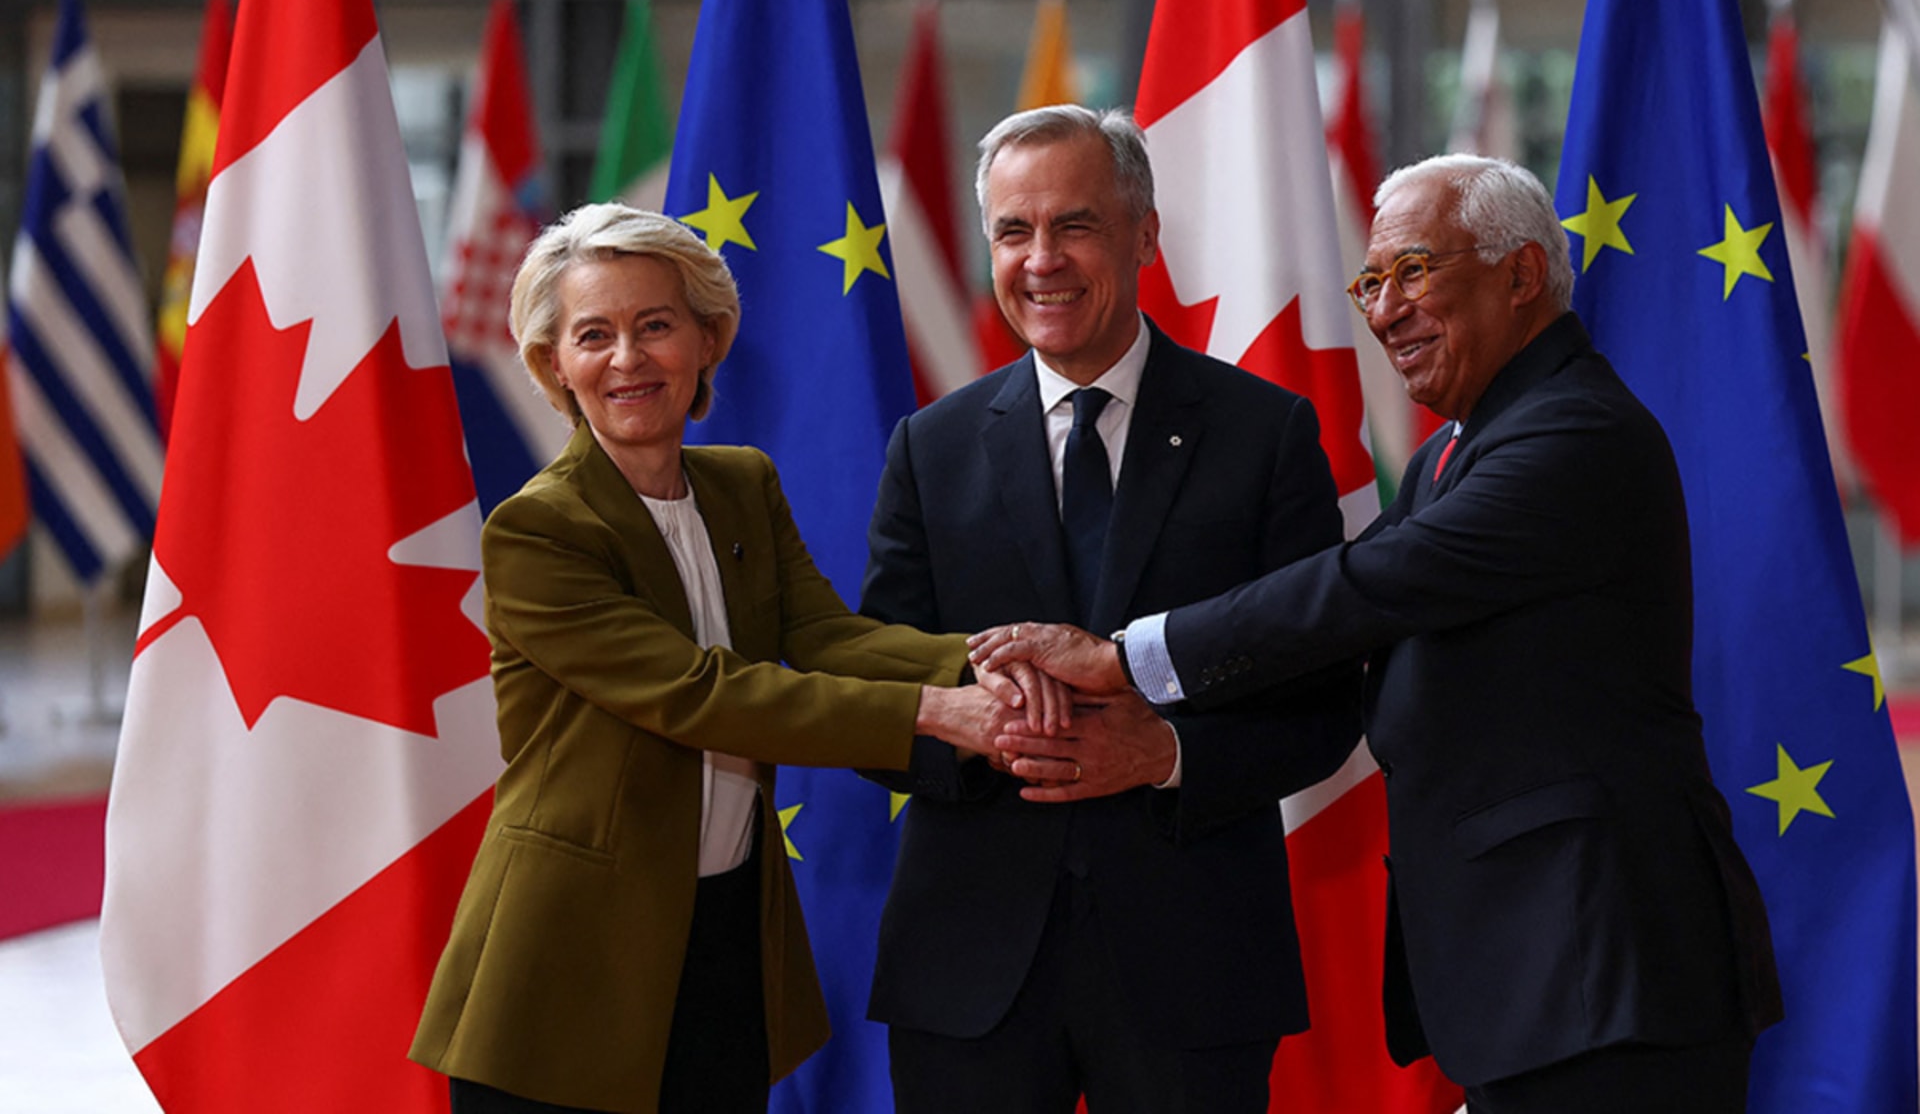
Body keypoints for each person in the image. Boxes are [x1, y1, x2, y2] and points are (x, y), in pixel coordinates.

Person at [974, 154, 1784, 1114]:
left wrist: (1121, 658)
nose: (1384, 309)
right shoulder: (1459, 447)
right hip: (1540, 977)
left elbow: (1362, 588)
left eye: (1414, 271)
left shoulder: (1573, 434)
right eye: (1370, 281)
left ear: (1521, 275)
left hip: (1607, 970)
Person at [410, 204, 1040, 1114]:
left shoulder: (742, 483)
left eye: (655, 326)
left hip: (724, 941)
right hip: (568, 965)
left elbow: (829, 638)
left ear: (708, 340)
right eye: (594, 334)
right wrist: (935, 715)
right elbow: (698, 693)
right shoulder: (537, 529)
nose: (627, 358)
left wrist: (989, 664)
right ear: (555, 364)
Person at [860, 104, 1361, 1113]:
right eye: (1013, 230)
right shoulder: (932, 444)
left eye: (1074, 224)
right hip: (970, 966)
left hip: (1196, 961)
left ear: (1143, 234)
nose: (1040, 259)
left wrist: (1166, 753)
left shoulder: (1265, 433)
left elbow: (1327, 698)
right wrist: (980, 726)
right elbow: (877, 690)